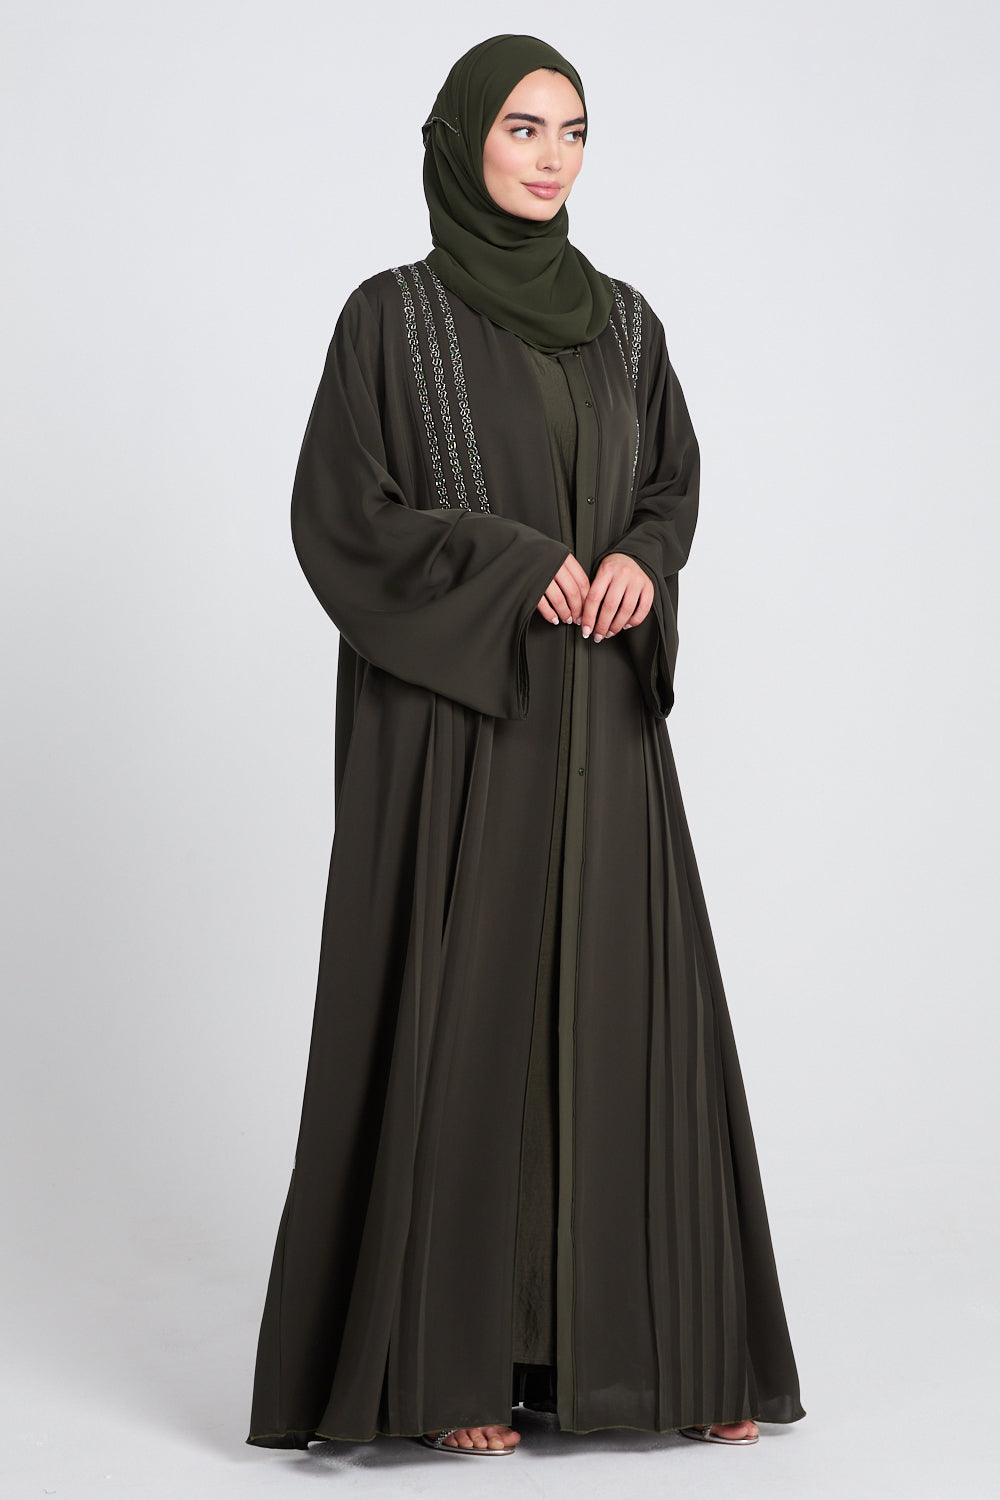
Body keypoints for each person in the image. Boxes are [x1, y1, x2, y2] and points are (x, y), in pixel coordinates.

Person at [245, 32, 806, 1459]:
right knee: (469, 1011)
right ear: (460, 142)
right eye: (522, 128)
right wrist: (509, 564)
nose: (551, 158)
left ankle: (658, 1362)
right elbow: (342, 516)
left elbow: (669, 483)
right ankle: (453, 1377)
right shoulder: (391, 319)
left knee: (623, 1008)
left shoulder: (627, 324)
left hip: (602, 723)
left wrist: (641, 563)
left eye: (573, 131)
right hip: (461, 730)